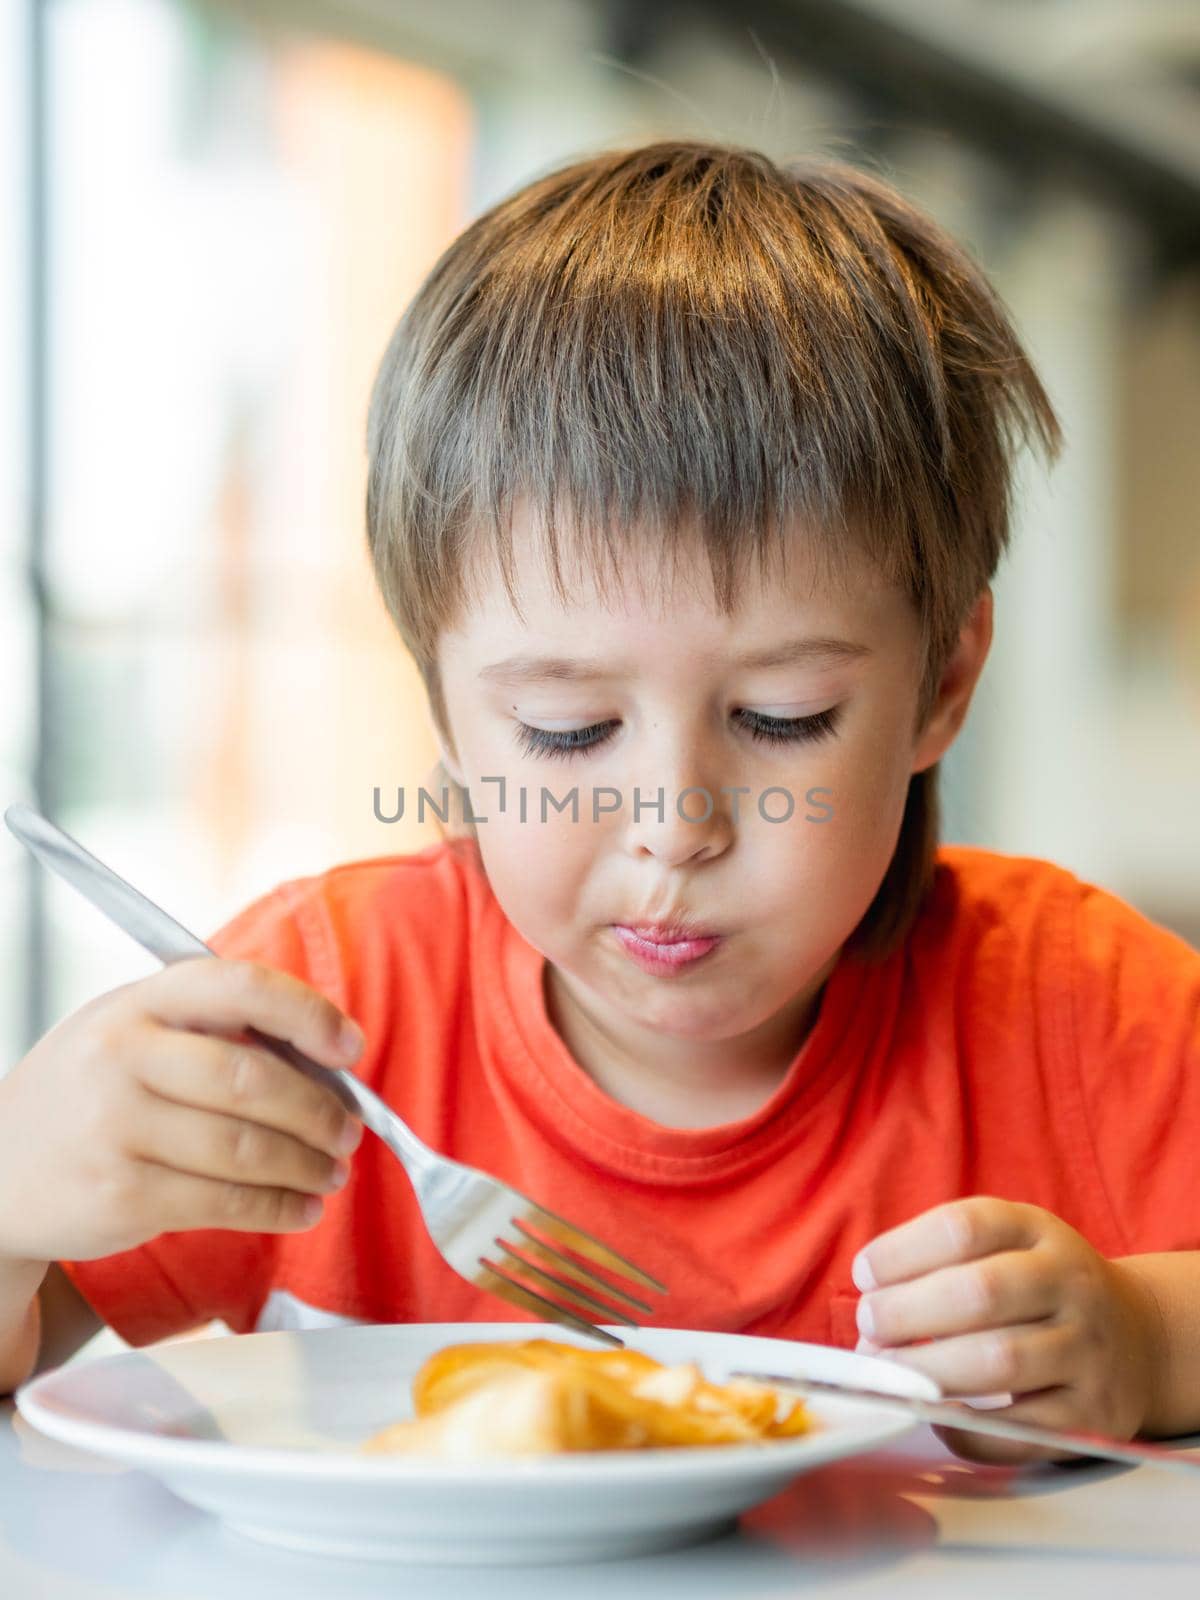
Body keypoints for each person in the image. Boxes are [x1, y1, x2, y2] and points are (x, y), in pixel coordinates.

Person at [2, 142, 1198, 1466]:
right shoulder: (322, 1022)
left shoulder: (1076, 1015)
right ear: (448, 715)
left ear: (943, 684)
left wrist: (1144, 1338)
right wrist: (12, 1202)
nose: (675, 823)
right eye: (567, 731)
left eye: (780, 718)